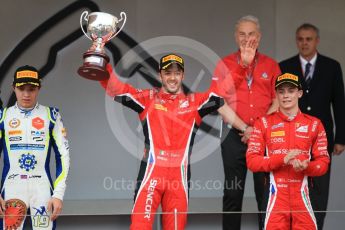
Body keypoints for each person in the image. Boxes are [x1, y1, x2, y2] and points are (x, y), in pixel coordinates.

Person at [99, 54, 224, 229]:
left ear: (183, 75)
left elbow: (219, 95)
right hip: (151, 175)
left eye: (177, 73)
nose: (172, 77)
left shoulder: (194, 103)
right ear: (160, 75)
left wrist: (241, 65)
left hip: (178, 181)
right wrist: (102, 62)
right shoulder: (147, 99)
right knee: (139, 227)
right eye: (168, 73)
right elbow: (115, 89)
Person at [215, 15, 281, 230]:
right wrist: (246, 129)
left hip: (264, 137)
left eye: (251, 34)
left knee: (266, 194)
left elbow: (278, 101)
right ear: (236, 37)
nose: (246, 38)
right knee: (233, 194)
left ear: (259, 37)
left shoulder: (271, 65)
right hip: (234, 136)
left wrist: (258, 130)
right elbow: (218, 101)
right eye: (242, 34)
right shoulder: (224, 64)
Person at [279, 23, 345, 230]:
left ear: (317, 41)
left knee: (319, 188)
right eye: (300, 39)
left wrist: (341, 137)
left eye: (309, 39)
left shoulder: (332, 66)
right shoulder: (284, 66)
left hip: (322, 136)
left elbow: (340, 103)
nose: (304, 43)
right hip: (291, 136)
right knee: (292, 185)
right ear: (296, 40)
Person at [246, 72, 330, 230]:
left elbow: (323, 163)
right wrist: (281, 159)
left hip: (304, 199)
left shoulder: (314, 124)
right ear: (276, 94)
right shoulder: (263, 123)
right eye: (281, 91)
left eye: (291, 91)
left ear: (299, 93)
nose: (286, 96)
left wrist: (308, 166)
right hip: (275, 198)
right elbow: (252, 162)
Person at [0, 65, 70, 229]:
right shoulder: (3, 117)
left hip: (42, 188)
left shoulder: (51, 116)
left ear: (39, 88)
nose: (26, 94)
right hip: (12, 187)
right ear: (13, 88)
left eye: (31, 89)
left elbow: (64, 156)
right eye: (21, 88)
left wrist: (58, 194)